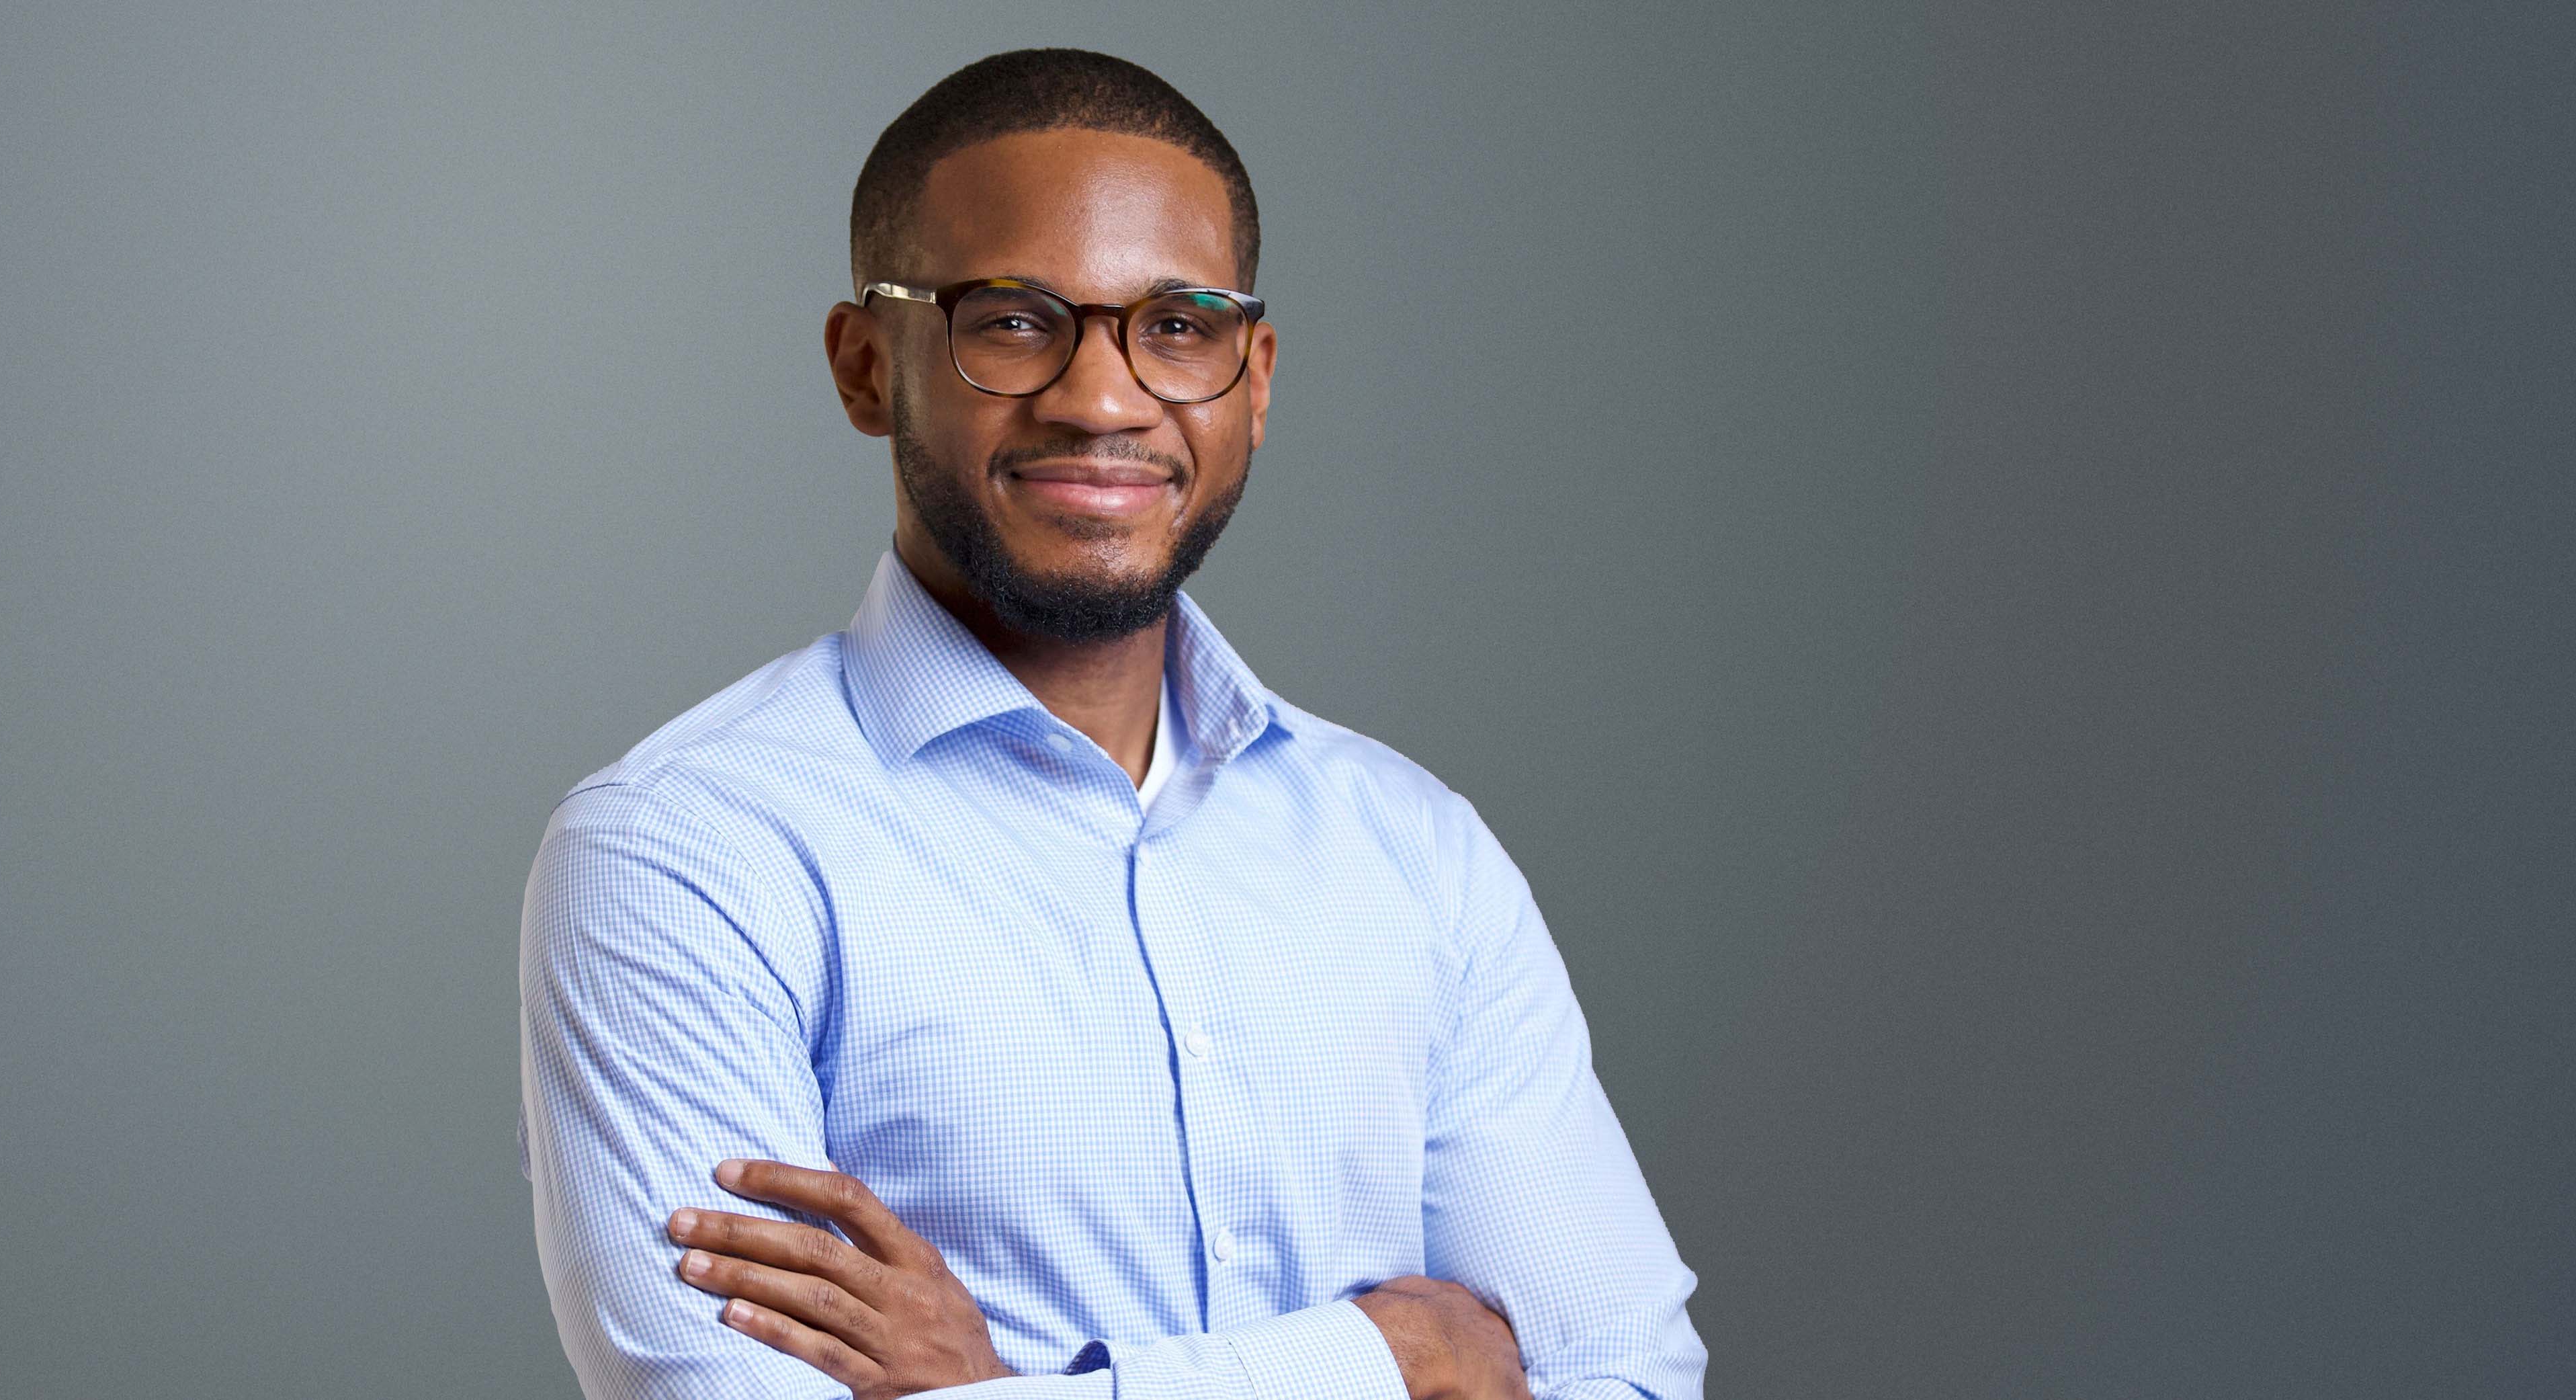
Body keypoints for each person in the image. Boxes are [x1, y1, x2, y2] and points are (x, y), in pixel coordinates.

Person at [519, 48, 1706, 1400]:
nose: (1100, 397)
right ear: (866, 367)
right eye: (1013, 320)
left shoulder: (1420, 855)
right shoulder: (684, 854)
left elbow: (1632, 1377)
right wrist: (1392, 1357)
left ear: (1253, 380)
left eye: (1179, 326)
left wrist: (995, 1387)